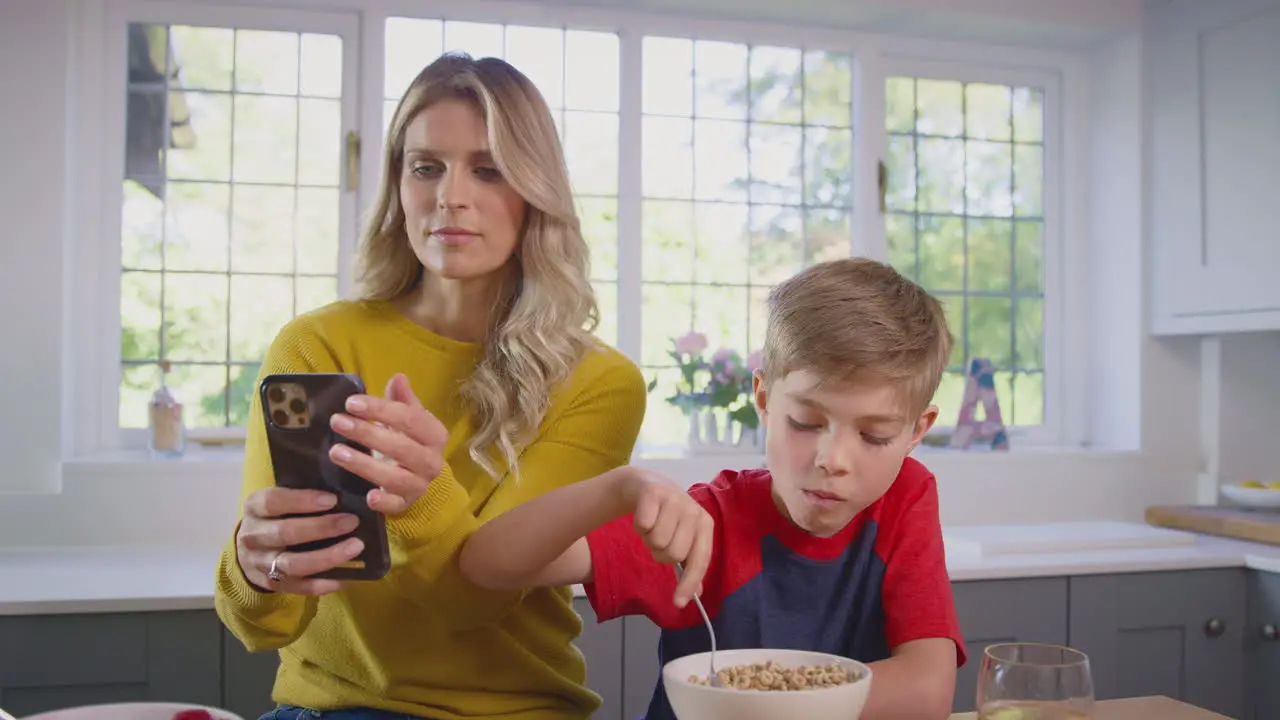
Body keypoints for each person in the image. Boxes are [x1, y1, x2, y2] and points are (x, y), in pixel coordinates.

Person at [213, 52, 647, 720]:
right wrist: (253, 566)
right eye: (426, 167)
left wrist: (421, 497)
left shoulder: (599, 383)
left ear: (535, 190)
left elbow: (478, 600)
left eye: (488, 168)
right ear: (399, 186)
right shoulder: (317, 345)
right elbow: (262, 627)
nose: (450, 196)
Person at [460, 257, 967, 720]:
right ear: (764, 400)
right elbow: (487, 564)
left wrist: (761, 702)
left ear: (916, 432)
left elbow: (927, 691)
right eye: (806, 422)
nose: (832, 461)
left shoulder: (906, 496)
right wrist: (615, 490)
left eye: (874, 436)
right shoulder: (710, 522)